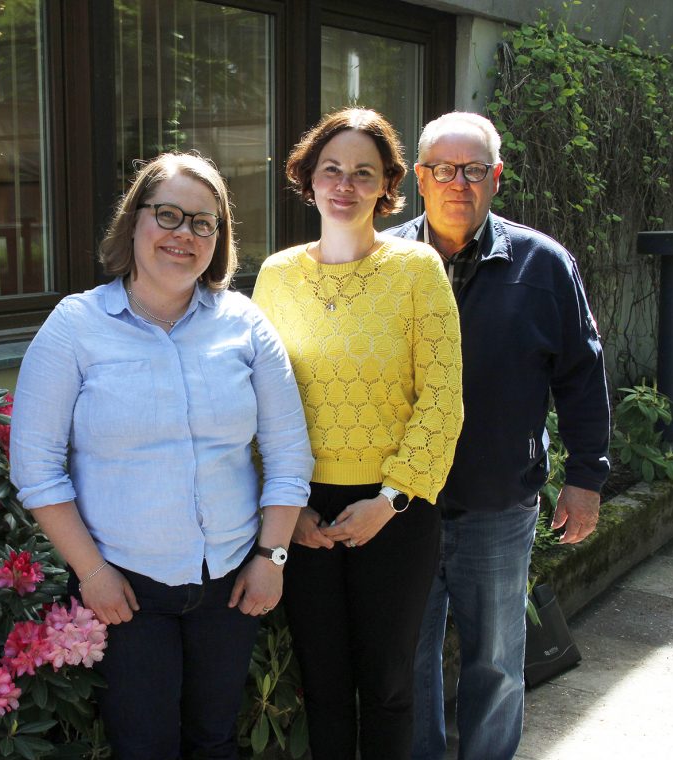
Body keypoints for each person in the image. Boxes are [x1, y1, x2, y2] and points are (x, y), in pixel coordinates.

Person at [9, 152, 314, 759]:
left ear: (218, 239)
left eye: (203, 223)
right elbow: (35, 469)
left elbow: (288, 454)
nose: (184, 234)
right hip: (125, 588)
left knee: (215, 740)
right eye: (168, 214)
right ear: (135, 221)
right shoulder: (76, 326)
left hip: (230, 581)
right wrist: (92, 573)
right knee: (143, 746)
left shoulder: (245, 325)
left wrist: (271, 556)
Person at [383, 111, 611, 760]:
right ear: (420, 178)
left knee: (496, 663)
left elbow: (582, 375)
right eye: (444, 170)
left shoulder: (543, 265)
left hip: (497, 503)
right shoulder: (384, 262)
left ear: (497, 177)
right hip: (400, 504)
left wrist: (586, 479)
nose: (459, 183)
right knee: (408, 660)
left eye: (474, 170)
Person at [252, 107, 464, 758]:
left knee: (389, 686)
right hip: (302, 508)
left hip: (395, 510)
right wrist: (291, 510)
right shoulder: (276, 275)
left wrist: (390, 500)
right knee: (322, 685)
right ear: (308, 178)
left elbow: (442, 398)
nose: (345, 184)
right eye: (331, 169)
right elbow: (254, 400)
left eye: (363, 173)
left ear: (387, 185)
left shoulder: (417, 269)